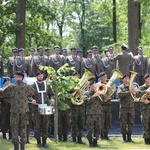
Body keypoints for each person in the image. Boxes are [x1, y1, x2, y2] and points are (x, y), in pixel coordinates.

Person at [3, 71, 35, 150]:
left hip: (14, 111)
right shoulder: (27, 86)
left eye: (15, 76)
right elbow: (33, 92)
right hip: (24, 110)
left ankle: (16, 147)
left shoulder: (11, 87)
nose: (14, 77)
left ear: (18, 77)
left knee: (14, 128)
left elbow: (4, 93)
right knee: (23, 128)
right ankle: (23, 146)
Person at [32, 71, 55, 148]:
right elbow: (29, 95)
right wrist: (32, 100)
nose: (40, 77)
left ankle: (44, 142)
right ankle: (38, 142)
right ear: (36, 77)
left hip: (46, 108)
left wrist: (52, 99)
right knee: (37, 125)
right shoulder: (33, 86)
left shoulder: (47, 85)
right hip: (36, 108)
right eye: (39, 76)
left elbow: (51, 94)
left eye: (41, 76)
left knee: (45, 125)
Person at [117, 74, 135, 142]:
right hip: (123, 108)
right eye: (126, 78)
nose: (127, 79)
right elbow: (119, 94)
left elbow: (136, 93)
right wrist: (128, 92)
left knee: (131, 122)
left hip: (131, 107)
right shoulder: (120, 87)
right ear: (123, 80)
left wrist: (133, 91)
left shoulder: (132, 86)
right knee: (123, 123)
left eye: (128, 78)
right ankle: (124, 137)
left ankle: (129, 137)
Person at [84, 79, 102, 147]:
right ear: (91, 86)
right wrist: (94, 96)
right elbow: (87, 101)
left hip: (98, 113)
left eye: (95, 85)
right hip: (90, 114)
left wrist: (100, 93)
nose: (95, 87)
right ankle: (90, 143)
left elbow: (104, 100)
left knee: (97, 129)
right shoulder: (86, 93)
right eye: (94, 86)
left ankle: (95, 142)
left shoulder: (99, 93)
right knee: (90, 129)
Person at [136, 73, 150, 145]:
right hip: (145, 110)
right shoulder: (141, 87)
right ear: (145, 79)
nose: (149, 80)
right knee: (145, 125)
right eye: (148, 79)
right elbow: (137, 94)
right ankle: (146, 140)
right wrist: (145, 91)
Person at [98, 72, 112, 140]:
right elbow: (100, 93)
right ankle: (101, 134)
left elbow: (112, 92)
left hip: (108, 105)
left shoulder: (108, 84)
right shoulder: (98, 84)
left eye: (106, 76)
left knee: (108, 120)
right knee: (102, 120)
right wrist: (105, 97)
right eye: (104, 76)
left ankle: (106, 134)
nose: (105, 78)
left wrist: (110, 89)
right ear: (101, 77)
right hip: (101, 105)